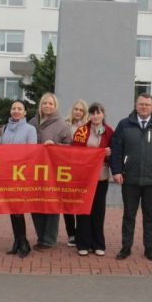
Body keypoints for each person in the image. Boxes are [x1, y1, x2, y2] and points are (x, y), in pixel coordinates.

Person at [110, 93, 152, 261]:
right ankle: (126, 247)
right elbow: (116, 149)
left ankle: (149, 248)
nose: (144, 107)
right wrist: (116, 171)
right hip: (129, 179)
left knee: (149, 216)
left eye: (147, 104)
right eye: (141, 104)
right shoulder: (124, 125)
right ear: (135, 105)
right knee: (129, 215)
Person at [29, 92, 72, 249]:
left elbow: (70, 148)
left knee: (52, 204)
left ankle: (49, 239)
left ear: (55, 106)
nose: (47, 106)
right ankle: (40, 236)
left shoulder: (62, 125)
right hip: (34, 171)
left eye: (50, 104)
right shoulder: (33, 122)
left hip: (53, 172)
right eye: (45, 103)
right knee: (35, 203)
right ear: (40, 105)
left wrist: (55, 146)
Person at [71, 102, 112, 256]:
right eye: (93, 113)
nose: (95, 116)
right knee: (83, 209)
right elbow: (75, 152)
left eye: (98, 113)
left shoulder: (109, 132)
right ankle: (83, 243)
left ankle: (98, 243)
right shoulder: (82, 131)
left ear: (103, 114)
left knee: (98, 210)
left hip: (101, 177)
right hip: (84, 177)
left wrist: (109, 152)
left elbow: (114, 151)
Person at [0, 100, 37, 257]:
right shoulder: (5, 128)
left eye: (19, 109)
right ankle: (17, 241)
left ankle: (24, 243)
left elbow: (33, 152)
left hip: (21, 175)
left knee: (18, 210)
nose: (16, 111)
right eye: (14, 108)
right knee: (12, 210)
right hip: (7, 174)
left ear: (25, 112)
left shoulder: (30, 129)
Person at [64, 99, 89, 247]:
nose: (78, 112)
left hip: (81, 171)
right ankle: (71, 234)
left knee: (80, 202)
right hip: (66, 170)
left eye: (81, 110)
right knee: (66, 204)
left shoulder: (88, 128)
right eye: (76, 109)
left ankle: (80, 233)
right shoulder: (65, 125)